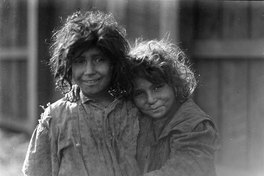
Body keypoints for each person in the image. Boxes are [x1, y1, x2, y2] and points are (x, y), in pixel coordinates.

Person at [22, 10, 140, 176]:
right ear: (69, 66)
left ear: (114, 63)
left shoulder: (134, 112)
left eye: (99, 59)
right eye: (80, 61)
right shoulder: (55, 119)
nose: (89, 71)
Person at [129, 39, 218, 176]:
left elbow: (184, 171)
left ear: (174, 84)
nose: (151, 99)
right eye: (140, 93)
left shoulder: (195, 125)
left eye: (157, 87)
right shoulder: (139, 120)